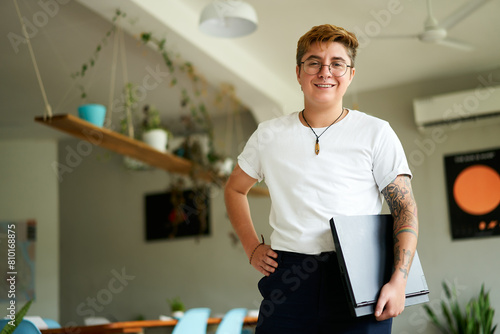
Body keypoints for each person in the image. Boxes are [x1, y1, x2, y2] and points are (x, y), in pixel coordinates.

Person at [224, 24, 418, 334]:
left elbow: (405, 209)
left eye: (337, 64)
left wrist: (400, 280)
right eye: (314, 62)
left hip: (361, 276)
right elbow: (234, 189)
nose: (325, 72)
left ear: (350, 74)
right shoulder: (268, 135)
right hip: (289, 276)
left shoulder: (376, 132)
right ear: (299, 73)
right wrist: (251, 247)